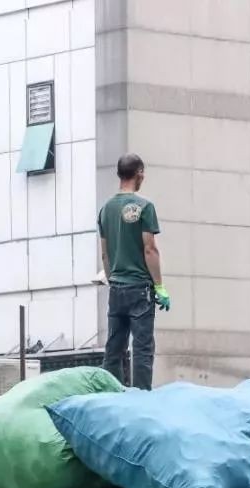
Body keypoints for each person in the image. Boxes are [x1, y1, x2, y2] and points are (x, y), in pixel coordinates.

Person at [97, 153, 170, 391]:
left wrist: (112, 279)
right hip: (140, 289)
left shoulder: (105, 209)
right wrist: (159, 286)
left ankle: (112, 396)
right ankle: (142, 399)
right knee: (142, 348)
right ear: (139, 172)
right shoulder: (144, 207)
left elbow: (105, 255)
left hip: (116, 288)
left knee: (114, 349)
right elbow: (150, 249)